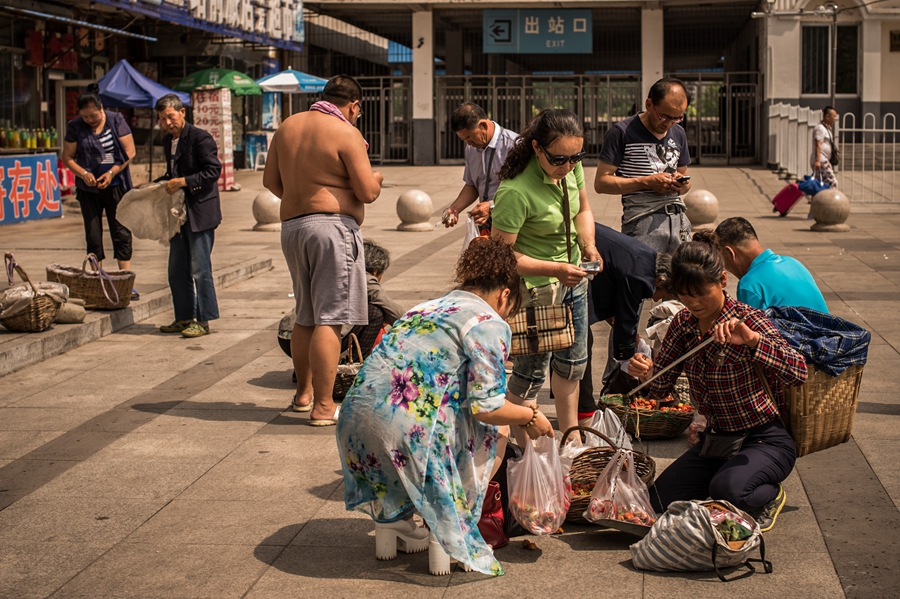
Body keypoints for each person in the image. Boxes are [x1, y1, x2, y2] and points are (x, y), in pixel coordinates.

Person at [337, 238, 553, 576]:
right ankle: (448, 529)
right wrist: (532, 416)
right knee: (499, 429)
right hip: (404, 435)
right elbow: (487, 407)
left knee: (428, 413)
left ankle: (392, 522)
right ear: (505, 295)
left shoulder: (424, 308)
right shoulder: (488, 321)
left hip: (353, 424)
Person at [627, 231, 808, 532]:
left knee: (729, 491)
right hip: (718, 440)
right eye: (685, 295)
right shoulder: (682, 325)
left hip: (764, 439)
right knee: (657, 501)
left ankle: (770, 495)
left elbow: (798, 370)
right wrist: (646, 373)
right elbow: (660, 388)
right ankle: (726, 481)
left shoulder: (748, 319)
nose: (693, 302)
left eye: (701, 293)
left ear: (723, 281)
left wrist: (753, 342)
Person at [263, 75, 383, 426]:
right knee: (331, 319)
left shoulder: (287, 127)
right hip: (330, 231)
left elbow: (271, 182)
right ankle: (324, 406)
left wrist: (307, 193)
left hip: (293, 229)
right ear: (354, 105)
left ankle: (303, 394)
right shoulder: (345, 131)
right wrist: (376, 179)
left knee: (306, 315)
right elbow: (367, 192)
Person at [491, 109, 601, 443]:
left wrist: (589, 246)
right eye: (559, 159)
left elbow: (582, 208)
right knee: (530, 372)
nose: (568, 166)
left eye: (576, 157)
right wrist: (554, 269)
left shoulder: (571, 166)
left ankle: (571, 438)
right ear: (537, 149)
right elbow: (501, 255)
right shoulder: (515, 191)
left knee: (573, 363)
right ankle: (523, 449)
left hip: (573, 281)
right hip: (535, 290)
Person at [576, 224, 676, 417]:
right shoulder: (640, 274)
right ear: (660, 280)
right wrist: (627, 355)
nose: (655, 299)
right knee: (580, 340)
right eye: (660, 293)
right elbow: (627, 316)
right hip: (579, 247)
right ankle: (584, 408)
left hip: (586, 247)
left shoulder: (647, 259)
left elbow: (615, 287)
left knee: (581, 337)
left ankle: (583, 406)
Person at [594, 77, 693, 253]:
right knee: (645, 277)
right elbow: (601, 183)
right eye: (664, 117)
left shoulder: (679, 133)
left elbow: (684, 183)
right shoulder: (622, 132)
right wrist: (646, 182)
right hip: (642, 222)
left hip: (678, 223)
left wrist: (681, 184)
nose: (669, 124)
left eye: (677, 118)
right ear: (649, 104)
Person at [154, 93, 222, 339]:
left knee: (200, 269)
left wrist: (184, 182)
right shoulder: (167, 141)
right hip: (178, 214)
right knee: (176, 269)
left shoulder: (199, 138)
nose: (167, 122)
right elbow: (172, 172)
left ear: (182, 112)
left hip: (200, 212)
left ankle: (203, 321)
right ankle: (184, 317)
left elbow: (213, 170)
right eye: (162, 119)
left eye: (170, 116)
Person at [62, 84, 138, 300]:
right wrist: (83, 173)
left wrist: (112, 173)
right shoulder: (75, 126)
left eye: (93, 116)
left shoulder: (116, 120)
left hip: (116, 186)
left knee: (121, 231)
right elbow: (67, 157)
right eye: (85, 117)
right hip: (89, 190)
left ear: (101, 108)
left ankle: (125, 280)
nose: (90, 120)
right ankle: (99, 281)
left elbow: (130, 151)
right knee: (93, 235)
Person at [714, 217, 829, 313]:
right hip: (830, 337)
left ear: (730, 253)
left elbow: (755, 333)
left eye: (723, 260)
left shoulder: (749, 285)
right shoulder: (793, 262)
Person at [441, 103, 519, 234]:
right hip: (486, 224)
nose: (468, 143)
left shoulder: (514, 146)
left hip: (511, 222)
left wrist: (491, 205)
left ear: (483, 125)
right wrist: (454, 208)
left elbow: (522, 191)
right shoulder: (471, 148)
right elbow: (472, 185)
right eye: (463, 139)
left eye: (470, 137)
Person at [811, 106, 839, 190]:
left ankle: (816, 201)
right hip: (822, 161)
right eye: (833, 117)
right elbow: (818, 144)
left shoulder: (827, 129)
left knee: (819, 184)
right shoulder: (820, 128)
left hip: (824, 160)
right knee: (833, 183)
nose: (835, 119)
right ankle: (832, 202)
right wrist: (817, 161)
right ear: (827, 116)